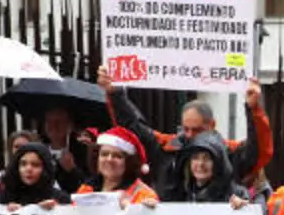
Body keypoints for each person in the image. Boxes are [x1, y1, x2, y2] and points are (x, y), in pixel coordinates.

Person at [97, 65, 272, 199]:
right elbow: (133, 128)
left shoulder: (229, 152)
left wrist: (253, 109)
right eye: (185, 129)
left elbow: (258, 150)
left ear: (212, 125)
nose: (189, 135)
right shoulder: (167, 147)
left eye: (197, 130)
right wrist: (115, 94)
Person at [40, 107, 89, 194]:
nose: (53, 125)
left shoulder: (84, 151)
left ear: (70, 125)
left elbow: (89, 186)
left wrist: (72, 169)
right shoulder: (38, 151)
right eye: (49, 121)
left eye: (59, 121)